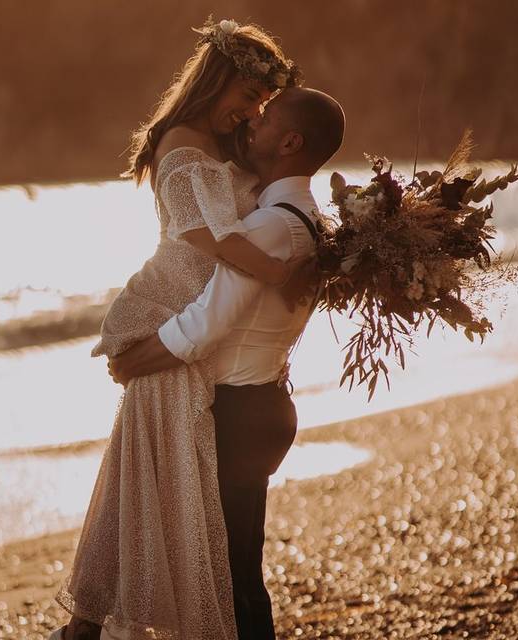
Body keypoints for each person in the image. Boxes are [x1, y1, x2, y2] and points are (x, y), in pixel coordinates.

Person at [50, 18, 307, 640]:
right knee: (151, 493)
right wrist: (277, 268)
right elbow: (210, 239)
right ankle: (91, 629)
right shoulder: (183, 142)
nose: (252, 113)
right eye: (247, 97)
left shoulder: (226, 145)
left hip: (198, 333)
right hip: (167, 308)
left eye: (262, 104)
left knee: (149, 492)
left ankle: (85, 632)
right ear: (217, 81)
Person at [108, 86, 345, 640]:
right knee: (237, 571)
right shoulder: (302, 215)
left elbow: (208, 323)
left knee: (231, 581)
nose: (252, 125)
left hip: (239, 413)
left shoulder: (269, 227)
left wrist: (134, 359)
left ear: (289, 142)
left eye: (266, 119)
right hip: (265, 403)